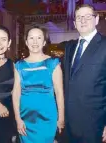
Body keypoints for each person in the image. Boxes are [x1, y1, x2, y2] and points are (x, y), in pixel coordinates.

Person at [63, 4, 106, 143]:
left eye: (88, 16)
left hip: (94, 126)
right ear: (74, 23)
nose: (83, 20)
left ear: (97, 19)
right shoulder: (69, 48)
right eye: (79, 17)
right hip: (69, 126)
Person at [13, 26, 65, 143]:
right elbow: (16, 93)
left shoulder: (53, 63)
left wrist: (61, 117)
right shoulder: (19, 65)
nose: (35, 42)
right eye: (31, 38)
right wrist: (18, 119)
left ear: (44, 42)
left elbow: (59, 93)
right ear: (26, 42)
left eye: (39, 38)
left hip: (47, 118)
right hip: (25, 119)